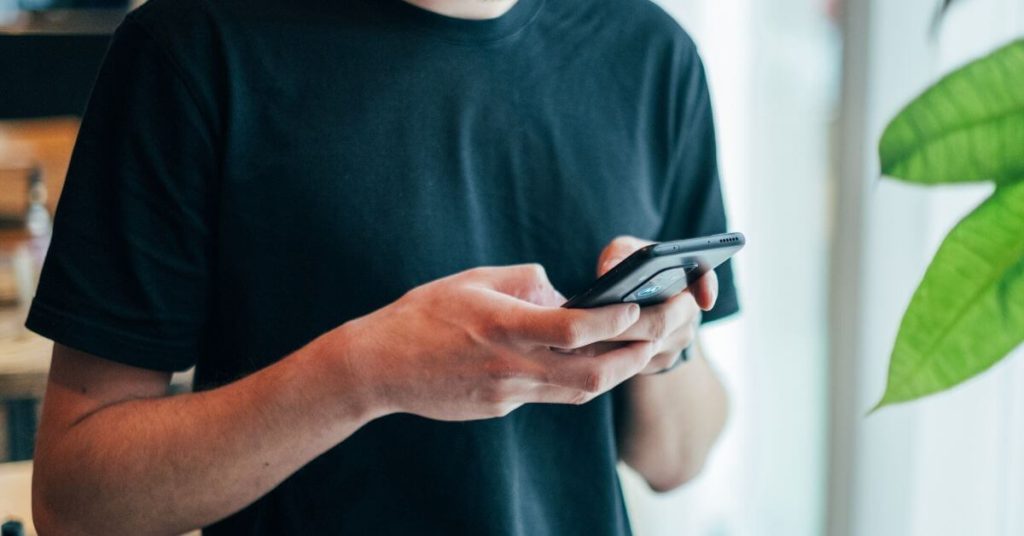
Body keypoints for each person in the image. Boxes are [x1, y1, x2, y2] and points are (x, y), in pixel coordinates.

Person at [26, 0, 739, 534]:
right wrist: (366, 373)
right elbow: (76, 503)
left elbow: (676, 460)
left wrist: (661, 347)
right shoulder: (190, 46)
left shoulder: (653, 56)